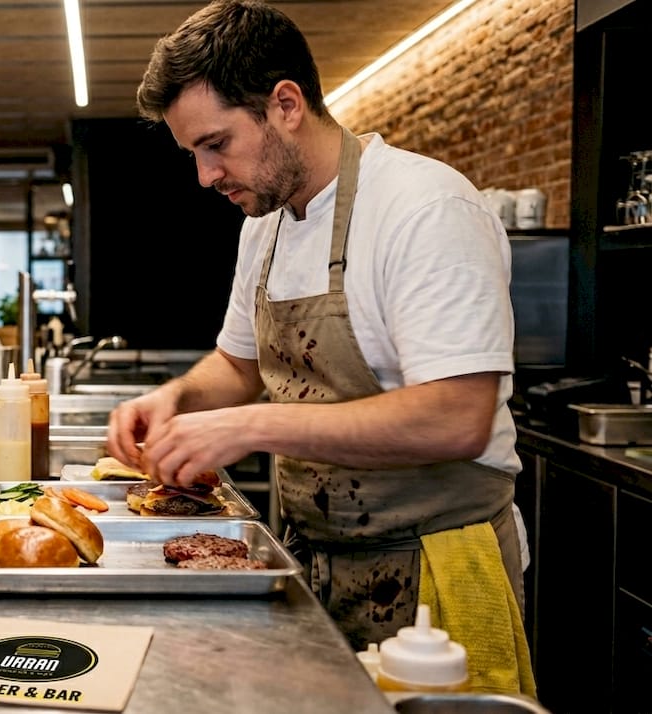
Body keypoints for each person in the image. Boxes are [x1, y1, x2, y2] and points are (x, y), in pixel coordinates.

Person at [111, 0, 529, 663]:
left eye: (216, 145)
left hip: (437, 567)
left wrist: (249, 427)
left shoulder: (424, 209)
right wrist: (177, 400)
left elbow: (457, 417)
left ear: (285, 104)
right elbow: (238, 365)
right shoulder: (264, 227)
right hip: (311, 556)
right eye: (194, 153)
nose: (206, 176)